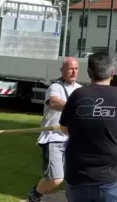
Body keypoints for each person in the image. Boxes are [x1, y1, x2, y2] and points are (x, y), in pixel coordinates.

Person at [59, 52, 117, 202]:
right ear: (112, 72)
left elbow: (64, 129)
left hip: (78, 175)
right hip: (109, 178)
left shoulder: (78, 95)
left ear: (89, 72)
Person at [28, 57, 81, 202]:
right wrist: (76, 105)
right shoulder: (55, 87)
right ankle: (35, 195)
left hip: (73, 139)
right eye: (70, 69)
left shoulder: (80, 89)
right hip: (53, 138)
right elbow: (54, 103)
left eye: (76, 69)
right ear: (62, 70)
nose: (74, 72)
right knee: (56, 179)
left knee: (78, 176)